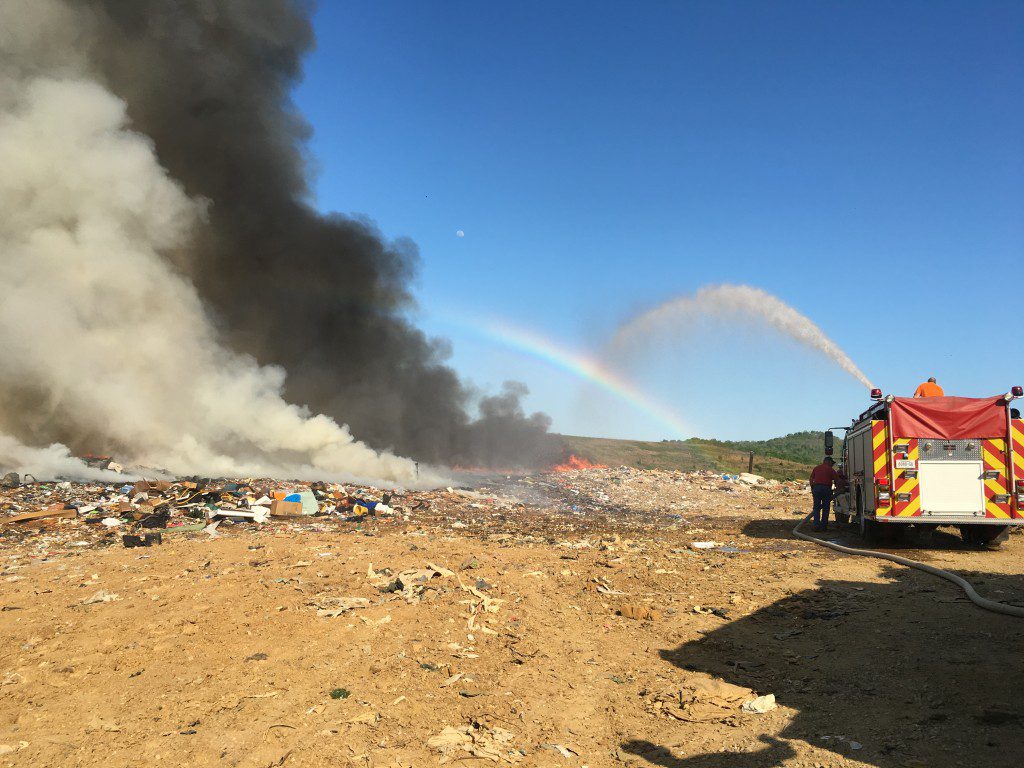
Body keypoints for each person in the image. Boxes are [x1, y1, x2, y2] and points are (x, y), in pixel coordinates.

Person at [809, 456, 838, 531]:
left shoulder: (816, 468)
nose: (832, 465)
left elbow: (811, 478)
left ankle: (816, 525)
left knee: (816, 508)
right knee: (825, 508)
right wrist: (838, 488)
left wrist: (813, 487)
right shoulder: (831, 470)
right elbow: (836, 480)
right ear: (828, 462)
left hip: (817, 488)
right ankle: (823, 526)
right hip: (826, 489)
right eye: (832, 463)